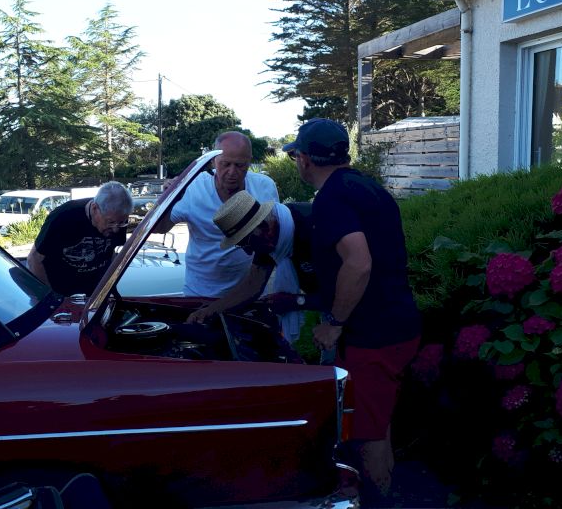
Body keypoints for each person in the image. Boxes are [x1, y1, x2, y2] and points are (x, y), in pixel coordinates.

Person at [285, 117, 421, 508]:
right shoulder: (368, 187)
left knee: (366, 435)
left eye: (296, 156)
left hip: (372, 336)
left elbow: (359, 263)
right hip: (398, 325)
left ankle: (380, 503)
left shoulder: (331, 198)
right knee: (378, 423)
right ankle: (385, 492)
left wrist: (333, 323)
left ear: (304, 159)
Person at [155, 131, 279, 299]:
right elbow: (159, 228)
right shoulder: (192, 187)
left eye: (240, 165)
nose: (232, 172)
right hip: (200, 293)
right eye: (225, 164)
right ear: (213, 161)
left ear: (249, 161)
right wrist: (168, 199)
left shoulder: (264, 186)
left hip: (251, 293)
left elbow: (274, 235)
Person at [185, 192, 309, 343]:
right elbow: (253, 284)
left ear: (263, 226)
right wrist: (210, 310)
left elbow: (336, 291)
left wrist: (295, 301)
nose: (248, 252)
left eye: (246, 242)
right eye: (241, 245)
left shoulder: (313, 228)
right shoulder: (267, 236)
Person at [27, 181, 133, 296]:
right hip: (60, 291)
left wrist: (107, 288)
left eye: (121, 223)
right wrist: (49, 296)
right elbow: (34, 259)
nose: (116, 229)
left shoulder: (118, 216)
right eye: (110, 222)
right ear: (94, 208)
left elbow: (111, 252)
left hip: (93, 292)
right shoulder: (63, 217)